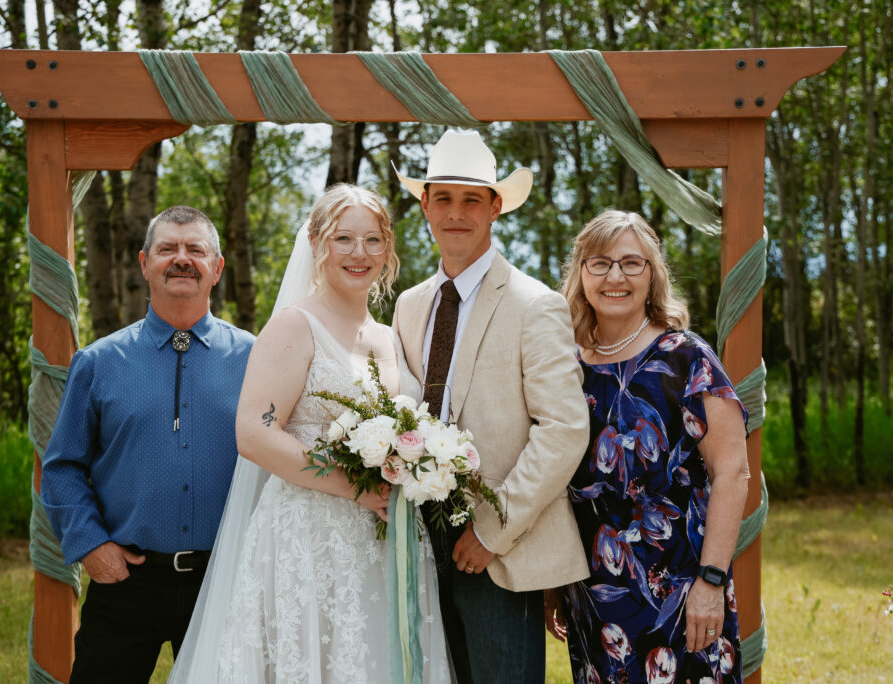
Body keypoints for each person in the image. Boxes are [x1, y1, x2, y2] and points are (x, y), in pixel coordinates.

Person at [168, 183, 452, 683]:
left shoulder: (390, 336)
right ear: (318, 243)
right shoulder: (293, 326)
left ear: (388, 249)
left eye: (373, 240)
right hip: (308, 538)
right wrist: (356, 488)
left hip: (387, 538)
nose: (359, 253)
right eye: (344, 239)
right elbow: (254, 434)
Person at [392, 129, 592, 683]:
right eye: (444, 199)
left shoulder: (536, 305)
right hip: (417, 545)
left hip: (499, 551)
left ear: (496, 207)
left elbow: (564, 430)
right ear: (425, 205)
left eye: (472, 199)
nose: (456, 214)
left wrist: (490, 531)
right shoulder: (410, 306)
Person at [41, 206, 255, 683]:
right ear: (144, 263)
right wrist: (91, 545)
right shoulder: (98, 362)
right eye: (168, 249)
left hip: (222, 583)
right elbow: (62, 467)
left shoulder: (255, 359)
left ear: (216, 268)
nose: (182, 259)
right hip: (124, 581)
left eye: (195, 250)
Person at [547, 210, 751, 683]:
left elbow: (732, 473)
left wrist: (711, 581)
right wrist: (554, 586)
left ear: (652, 274)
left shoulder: (685, 357)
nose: (615, 276)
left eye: (631, 263)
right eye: (599, 263)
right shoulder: (564, 364)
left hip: (682, 592)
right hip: (594, 597)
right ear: (581, 273)